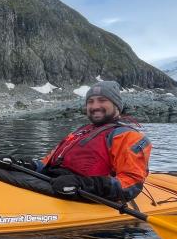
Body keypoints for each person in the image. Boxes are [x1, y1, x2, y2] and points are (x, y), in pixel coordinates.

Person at [8, 80, 151, 202]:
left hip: (84, 194)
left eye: (102, 100)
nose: (95, 106)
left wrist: (83, 184)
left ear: (116, 105)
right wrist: (28, 164)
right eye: (90, 101)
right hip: (54, 183)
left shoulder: (128, 136)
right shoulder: (80, 131)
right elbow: (48, 162)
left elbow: (131, 184)